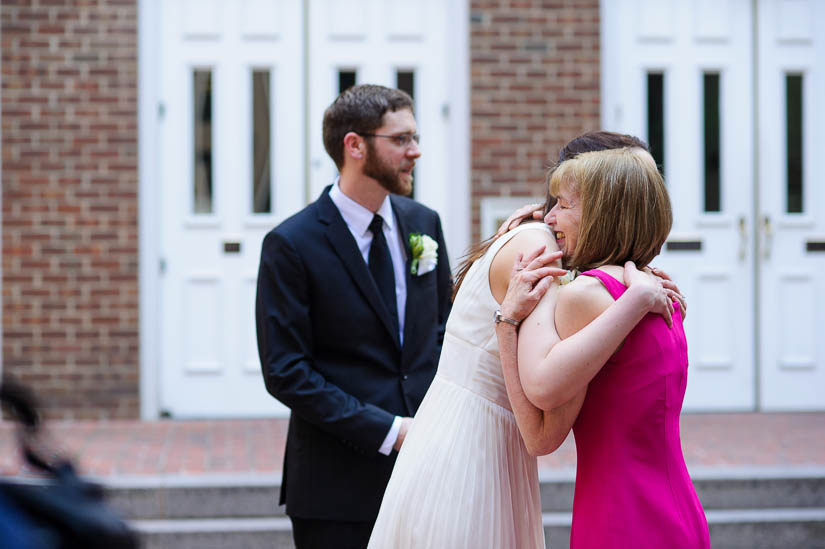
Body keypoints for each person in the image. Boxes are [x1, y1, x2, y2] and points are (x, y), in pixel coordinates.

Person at [367, 132, 677, 548]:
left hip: (446, 432)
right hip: (475, 451)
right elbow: (545, 432)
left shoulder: (535, 241)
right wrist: (509, 321)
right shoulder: (541, 253)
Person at [255, 84, 453, 548]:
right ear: (355, 146)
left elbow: (443, 333)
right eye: (401, 139)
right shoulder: (291, 244)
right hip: (334, 487)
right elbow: (287, 373)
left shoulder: (424, 223)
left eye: (415, 137)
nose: (415, 151)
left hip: (427, 475)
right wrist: (389, 430)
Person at [497, 147, 710, 548]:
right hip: (678, 505)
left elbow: (541, 392)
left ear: (601, 214)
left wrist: (507, 323)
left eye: (563, 205)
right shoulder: (652, 284)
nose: (548, 218)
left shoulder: (589, 295)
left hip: (622, 514)